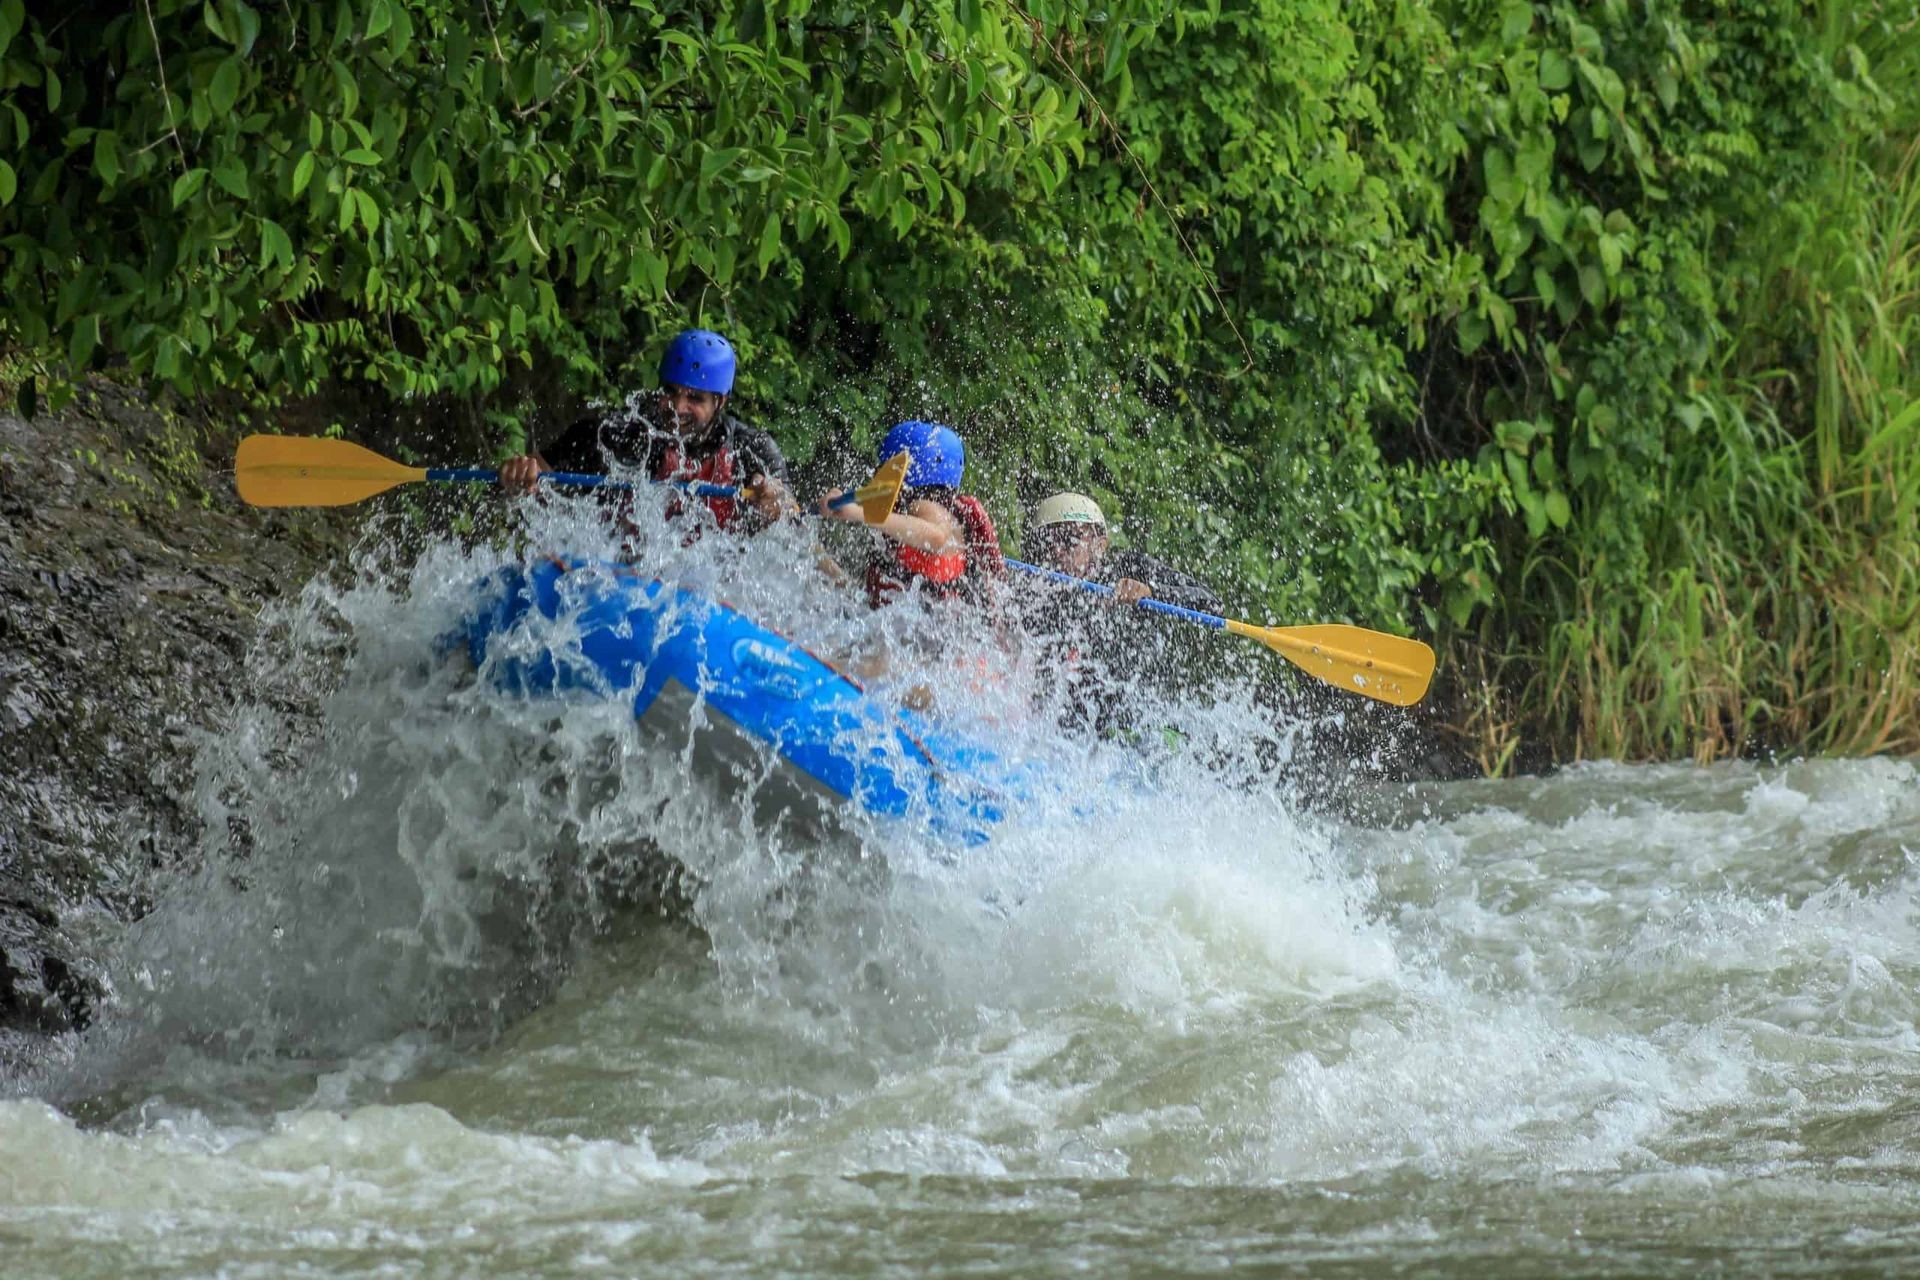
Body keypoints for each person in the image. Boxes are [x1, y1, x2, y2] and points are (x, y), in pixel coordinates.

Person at [498, 329, 795, 529]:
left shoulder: (751, 450)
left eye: (694, 398)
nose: (677, 407)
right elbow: (534, 474)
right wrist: (518, 477)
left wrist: (775, 502)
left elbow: (795, 522)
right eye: (671, 391)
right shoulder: (616, 437)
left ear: (720, 402)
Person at [1018, 491, 1222, 733]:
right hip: (1070, 726)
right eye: (1046, 542)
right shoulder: (1037, 591)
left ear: (1100, 544)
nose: (1057, 552)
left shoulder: (1128, 566)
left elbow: (1212, 604)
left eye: (1069, 539)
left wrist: (1151, 592)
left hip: (1139, 721)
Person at [819, 420, 1006, 611]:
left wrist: (861, 513)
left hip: (930, 633)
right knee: (825, 568)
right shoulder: (910, 514)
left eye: (883, 468)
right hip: (897, 624)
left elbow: (936, 536)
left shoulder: (924, 505)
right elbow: (867, 601)